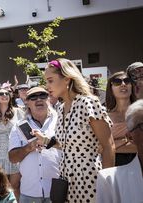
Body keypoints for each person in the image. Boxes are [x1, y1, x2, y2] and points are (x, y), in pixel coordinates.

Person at [33, 58, 115, 202]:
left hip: (89, 178)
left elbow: (109, 146)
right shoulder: (60, 108)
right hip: (66, 179)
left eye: (50, 80)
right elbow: (68, 144)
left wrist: (107, 185)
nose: (47, 86)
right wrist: (45, 140)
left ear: (67, 79)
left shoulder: (88, 103)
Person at [8, 87, 61, 202]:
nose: (38, 99)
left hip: (58, 190)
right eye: (33, 97)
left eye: (43, 96)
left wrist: (48, 141)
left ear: (49, 99)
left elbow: (70, 147)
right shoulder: (19, 126)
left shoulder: (61, 121)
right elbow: (12, 158)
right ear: (27, 102)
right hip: (30, 191)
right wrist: (29, 147)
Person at [96, 99, 143, 203]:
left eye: (127, 81)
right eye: (142, 126)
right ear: (130, 136)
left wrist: (113, 145)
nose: (123, 85)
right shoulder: (110, 180)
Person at [106, 71, 137, 166]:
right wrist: (125, 141)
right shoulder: (105, 117)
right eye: (117, 82)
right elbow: (99, 148)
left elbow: (105, 148)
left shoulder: (140, 113)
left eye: (127, 81)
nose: (123, 84)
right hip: (114, 169)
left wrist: (111, 146)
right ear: (111, 89)